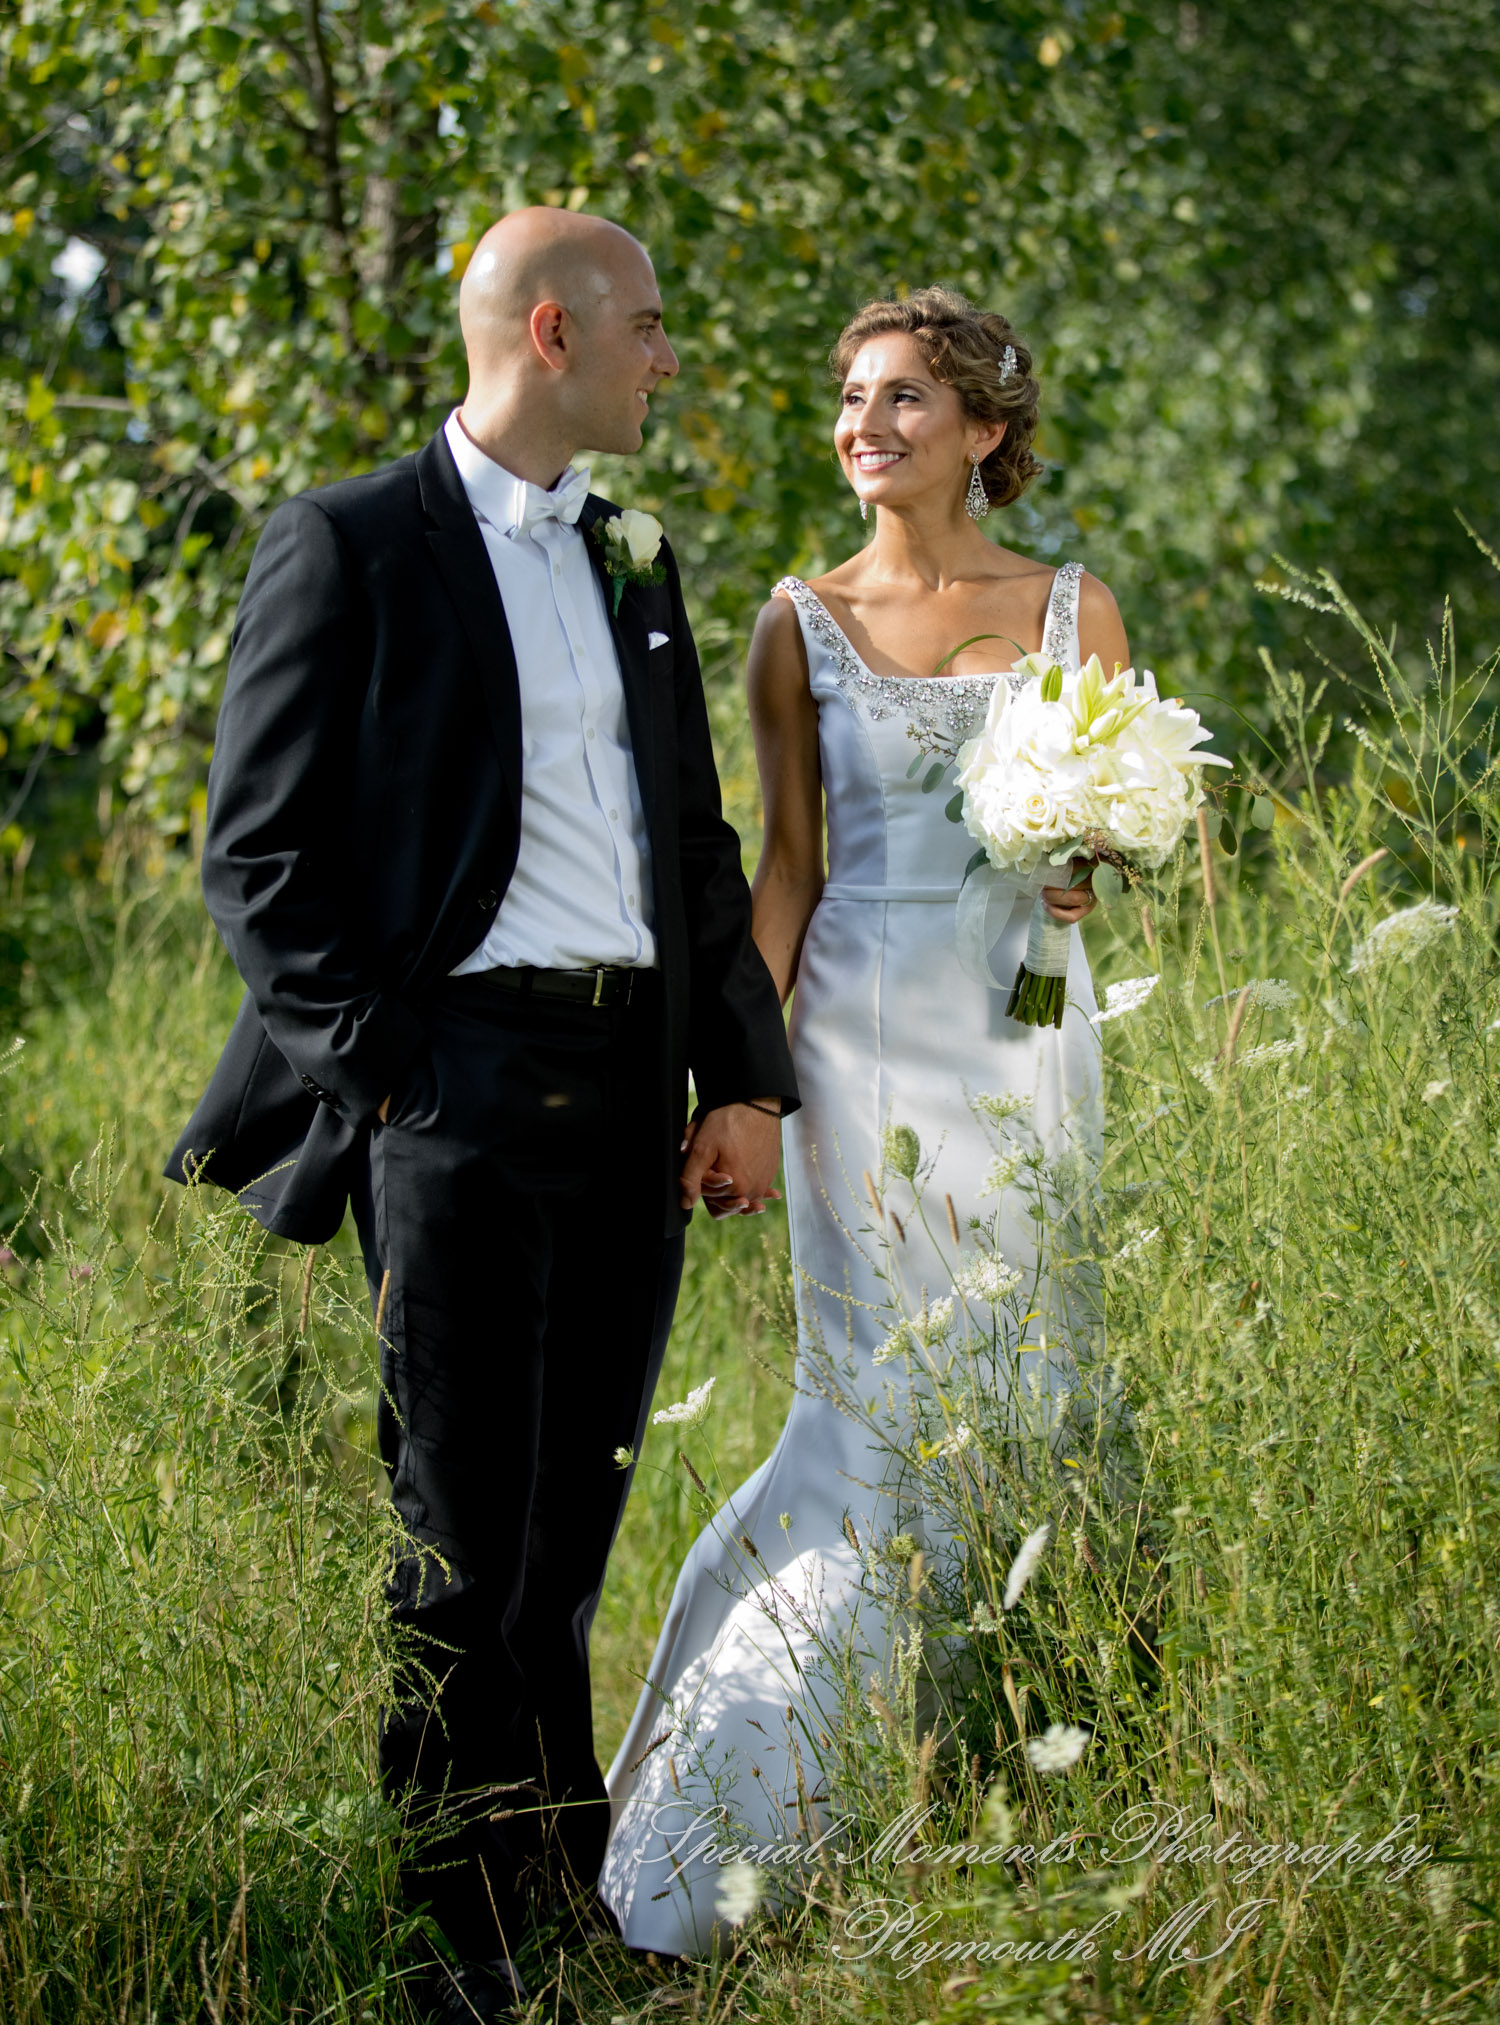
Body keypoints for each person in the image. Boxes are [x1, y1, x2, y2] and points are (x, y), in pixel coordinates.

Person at [165, 207, 798, 2017]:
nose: (670, 356)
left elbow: (690, 836)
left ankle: (559, 1901)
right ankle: (456, 1943)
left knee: (571, 1523)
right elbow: (257, 853)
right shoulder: (349, 544)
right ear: (552, 331)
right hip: (451, 1095)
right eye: (651, 327)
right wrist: (388, 1070)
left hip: (623, 1093)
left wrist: (739, 1072)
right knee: (461, 1532)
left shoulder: (631, 554)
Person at [601, 287, 1127, 1955]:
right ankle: (734, 1833)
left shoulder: (1072, 609)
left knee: (1035, 1384)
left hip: (1026, 1037)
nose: (864, 425)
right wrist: (738, 1085)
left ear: (983, 429)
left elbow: (1115, 841)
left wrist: (1086, 862)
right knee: (877, 1405)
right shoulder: (793, 621)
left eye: (904, 398)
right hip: (853, 1049)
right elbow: (790, 870)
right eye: (849, 397)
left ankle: (1005, 1769)